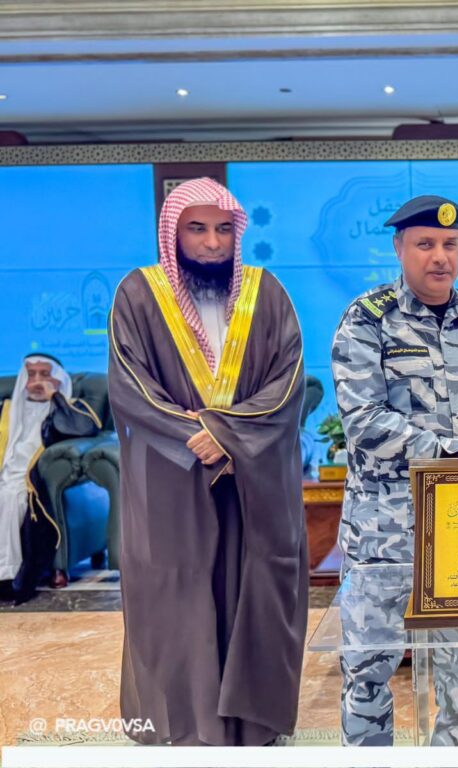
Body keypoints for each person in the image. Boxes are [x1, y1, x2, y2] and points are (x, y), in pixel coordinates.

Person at [109, 177, 308, 745]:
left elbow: (288, 378)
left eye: (223, 230)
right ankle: (185, 727)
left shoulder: (266, 293)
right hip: (173, 481)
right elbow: (130, 385)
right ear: (173, 233)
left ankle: (252, 725)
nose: (213, 243)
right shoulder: (137, 294)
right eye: (197, 229)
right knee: (177, 597)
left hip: (251, 480)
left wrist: (226, 435)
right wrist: (194, 438)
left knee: (254, 592)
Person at [331, 194, 458, 746]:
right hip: (385, 533)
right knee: (368, 674)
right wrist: (449, 452)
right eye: (425, 244)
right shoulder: (367, 321)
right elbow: (363, 420)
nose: (440, 256)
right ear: (399, 248)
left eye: (450, 244)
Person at [0, 353, 100, 603]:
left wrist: (54, 398)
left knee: (11, 497)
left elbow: (84, 429)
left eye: (44, 374)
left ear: (58, 379)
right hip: (4, 472)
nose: (36, 381)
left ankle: (7, 577)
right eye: (31, 375)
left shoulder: (68, 408)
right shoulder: (8, 409)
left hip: (28, 478)